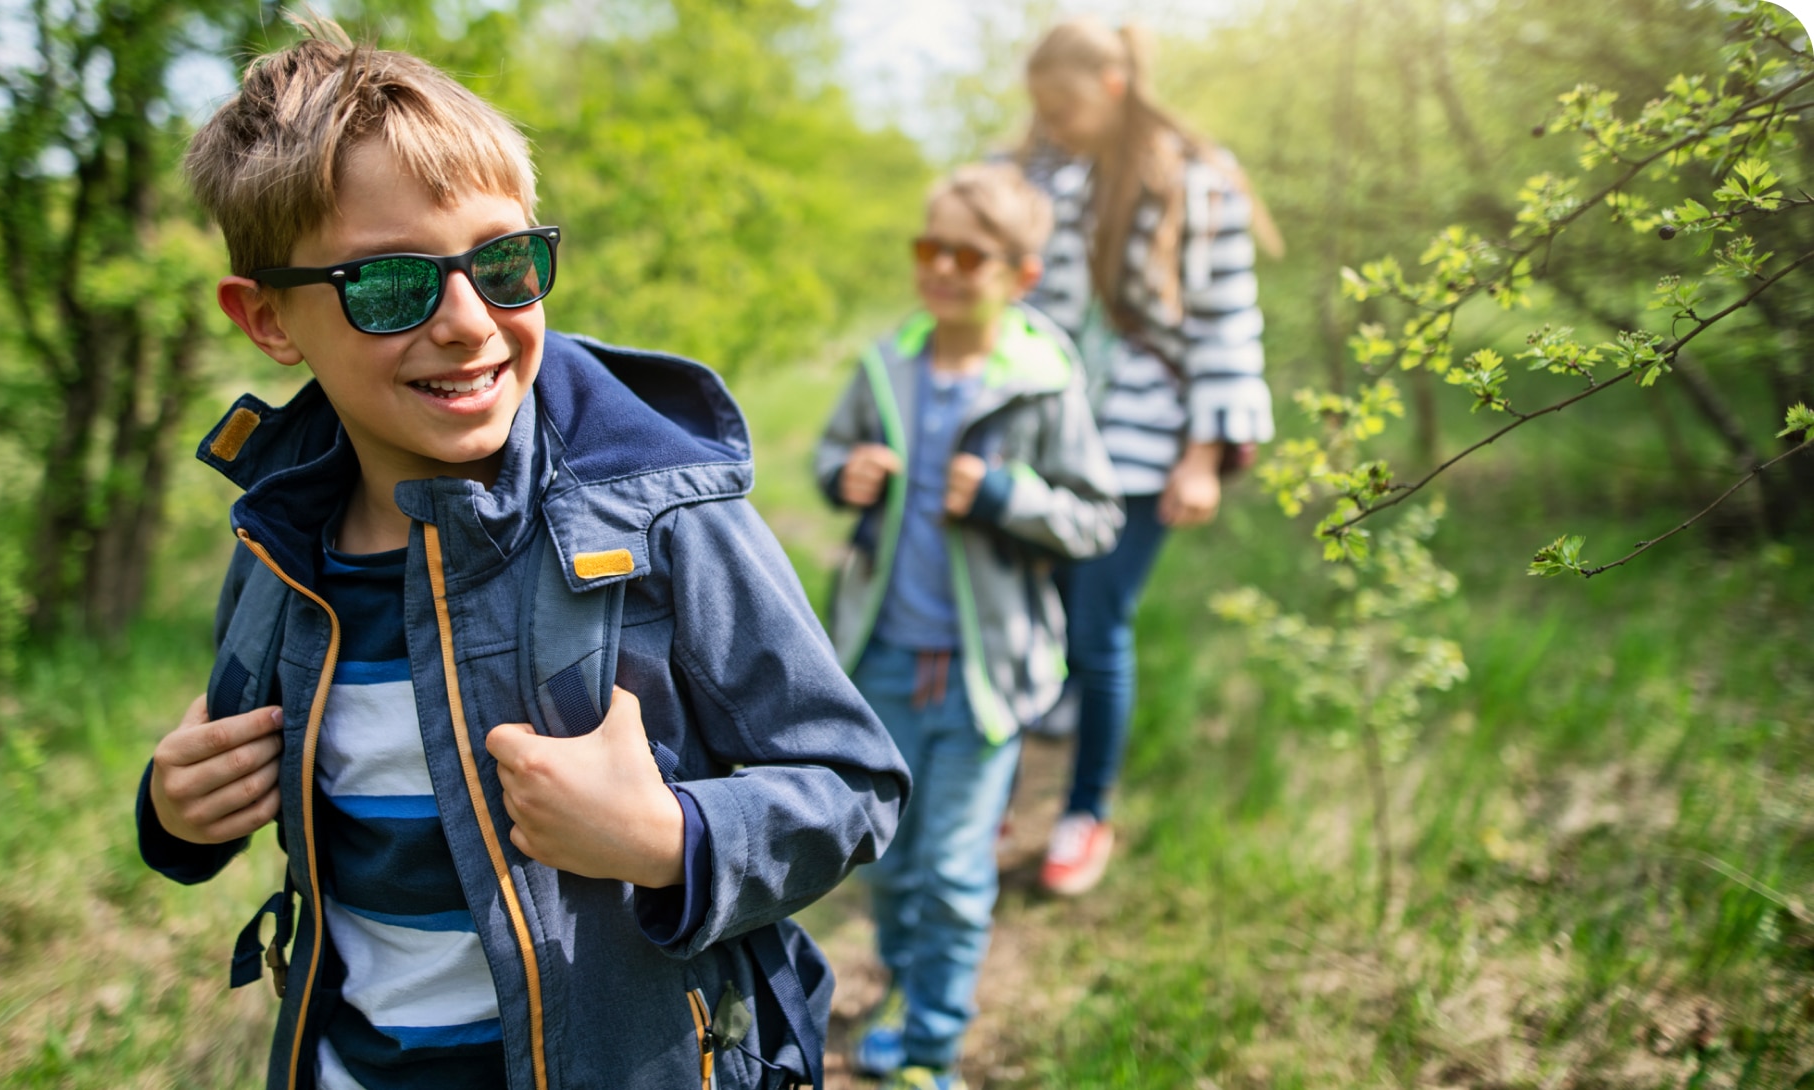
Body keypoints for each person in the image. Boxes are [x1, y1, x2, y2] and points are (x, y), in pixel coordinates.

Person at [133, 21, 908, 1090]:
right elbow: (259, 791)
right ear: (268, 319)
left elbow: (854, 786)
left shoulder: (660, 513)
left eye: (503, 265)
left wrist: (669, 837)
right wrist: (177, 815)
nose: (468, 321)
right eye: (390, 285)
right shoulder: (279, 543)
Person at [814, 162, 1122, 1090]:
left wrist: (1004, 495)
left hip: (986, 674)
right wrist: (845, 476)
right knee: (885, 863)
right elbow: (833, 453)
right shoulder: (887, 366)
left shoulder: (1042, 381)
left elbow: (1095, 517)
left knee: (950, 872)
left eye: (969, 256)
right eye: (929, 247)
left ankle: (931, 1049)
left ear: (1023, 275)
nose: (942, 268)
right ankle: (905, 992)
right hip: (881, 662)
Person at [1017, 18, 1284, 897]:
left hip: (1140, 442)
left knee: (1099, 626)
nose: (1051, 121)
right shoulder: (1039, 173)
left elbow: (1226, 324)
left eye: (1063, 104)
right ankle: (1007, 785)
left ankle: (1084, 812)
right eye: (1040, 106)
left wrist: (1203, 458)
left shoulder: (1198, 178)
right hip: (1045, 435)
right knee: (1038, 610)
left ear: (1114, 84)